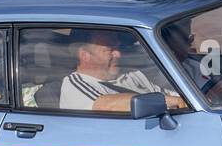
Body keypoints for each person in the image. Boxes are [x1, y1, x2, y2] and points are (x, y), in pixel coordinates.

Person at [59, 29, 187, 113]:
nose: (118, 54)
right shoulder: (75, 85)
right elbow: (105, 105)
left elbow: (168, 95)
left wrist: (185, 100)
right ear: (85, 55)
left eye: (118, 47)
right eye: (110, 50)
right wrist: (169, 101)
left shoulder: (131, 74)